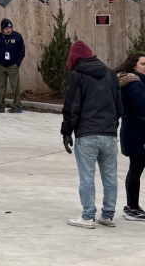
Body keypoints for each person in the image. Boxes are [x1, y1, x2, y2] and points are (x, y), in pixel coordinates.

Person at [61, 40, 123, 229]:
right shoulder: (111, 75)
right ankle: (108, 215)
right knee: (110, 175)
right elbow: (119, 106)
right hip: (109, 133)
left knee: (87, 176)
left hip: (87, 134)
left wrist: (66, 132)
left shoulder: (77, 76)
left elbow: (71, 108)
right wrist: (112, 125)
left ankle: (88, 216)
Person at [116, 52, 145, 221]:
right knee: (135, 170)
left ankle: (132, 207)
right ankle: (132, 208)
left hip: (132, 132)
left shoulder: (134, 82)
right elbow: (143, 112)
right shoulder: (135, 85)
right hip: (138, 135)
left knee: (135, 169)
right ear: (133, 65)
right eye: (143, 64)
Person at [0, 18, 26, 113]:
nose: (8, 30)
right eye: (6, 28)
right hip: (0, 65)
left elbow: (22, 50)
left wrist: (17, 62)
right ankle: (0, 106)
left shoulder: (17, 36)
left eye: (10, 27)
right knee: (1, 86)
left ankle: (17, 106)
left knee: (15, 86)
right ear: (2, 29)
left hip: (13, 65)